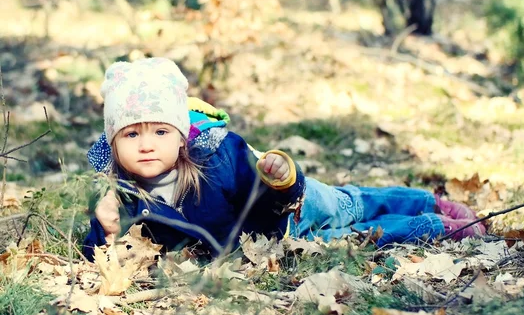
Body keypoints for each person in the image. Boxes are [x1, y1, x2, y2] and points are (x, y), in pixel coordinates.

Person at [83, 58, 484, 261]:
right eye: (131, 134)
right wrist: (104, 229)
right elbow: (102, 251)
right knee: (360, 238)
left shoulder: (217, 156)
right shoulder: (120, 193)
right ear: (114, 142)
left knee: (349, 205)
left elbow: (260, 193)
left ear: (181, 135)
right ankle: (435, 226)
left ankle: (425, 201)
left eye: (160, 131)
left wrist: (280, 181)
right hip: (275, 244)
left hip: (291, 204)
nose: (146, 144)